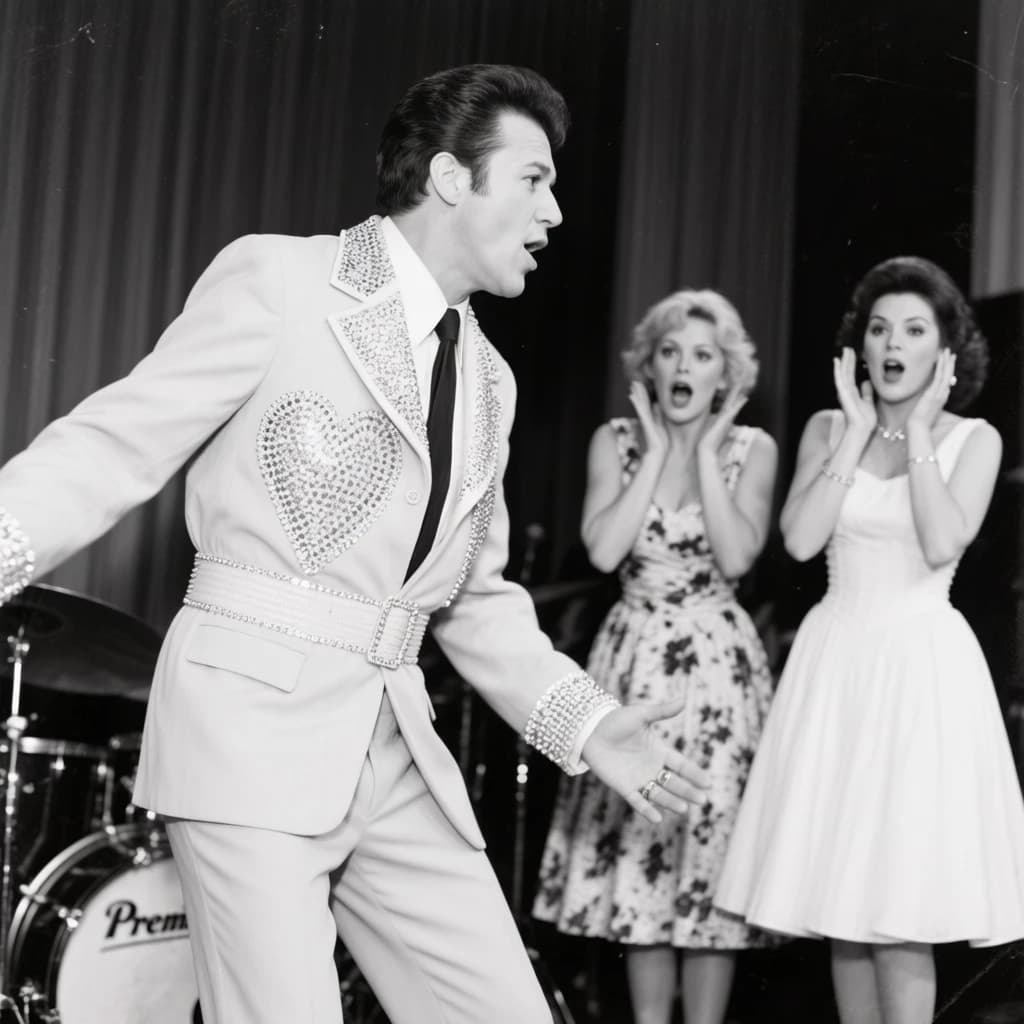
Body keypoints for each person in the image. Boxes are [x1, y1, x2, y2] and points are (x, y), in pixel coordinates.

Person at [0, 65, 709, 1024]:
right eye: (534, 179)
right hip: (248, 729)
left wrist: (586, 723)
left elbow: (474, 593)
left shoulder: (490, 380)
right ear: (453, 178)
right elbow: (115, 443)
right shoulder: (284, 280)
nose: (555, 213)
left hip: (394, 744)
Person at [716, 255, 1024, 1024]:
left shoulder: (973, 440)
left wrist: (918, 433)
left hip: (920, 670)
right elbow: (796, 540)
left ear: (945, 352)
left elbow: (942, 541)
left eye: (914, 330)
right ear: (861, 344)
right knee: (842, 908)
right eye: (880, 327)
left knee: (899, 906)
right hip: (836, 662)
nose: (893, 343)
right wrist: (855, 437)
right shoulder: (830, 428)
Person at [533, 289, 779, 1024]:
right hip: (633, 658)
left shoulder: (750, 450)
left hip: (719, 673)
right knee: (640, 853)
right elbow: (605, 549)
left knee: (706, 856)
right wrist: (655, 449)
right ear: (650, 364)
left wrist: (700, 453)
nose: (684, 365)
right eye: (670, 350)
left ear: (724, 376)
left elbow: (736, 558)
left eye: (703, 356)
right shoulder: (614, 441)